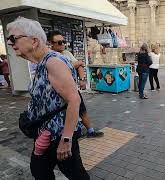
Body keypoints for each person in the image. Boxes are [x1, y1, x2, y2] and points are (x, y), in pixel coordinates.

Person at [7, 17, 90, 179]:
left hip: (58, 136)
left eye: (13, 38)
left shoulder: (53, 63)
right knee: (40, 171)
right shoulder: (43, 62)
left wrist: (66, 140)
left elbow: (74, 100)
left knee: (75, 175)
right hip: (45, 134)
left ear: (34, 41)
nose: (10, 43)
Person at [47, 30, 104, 138]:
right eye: (59, 42)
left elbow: (80, 65)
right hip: (57, 92)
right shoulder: (50, 56)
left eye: (64, 41)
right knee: (63, 113)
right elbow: (64, 67)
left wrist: (82, 79)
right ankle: (65, 136)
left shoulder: (67, 53)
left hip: (72, 89)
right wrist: (76, 63)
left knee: (81, 109)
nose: (63, 44)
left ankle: (90, 131)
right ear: (51, 43)